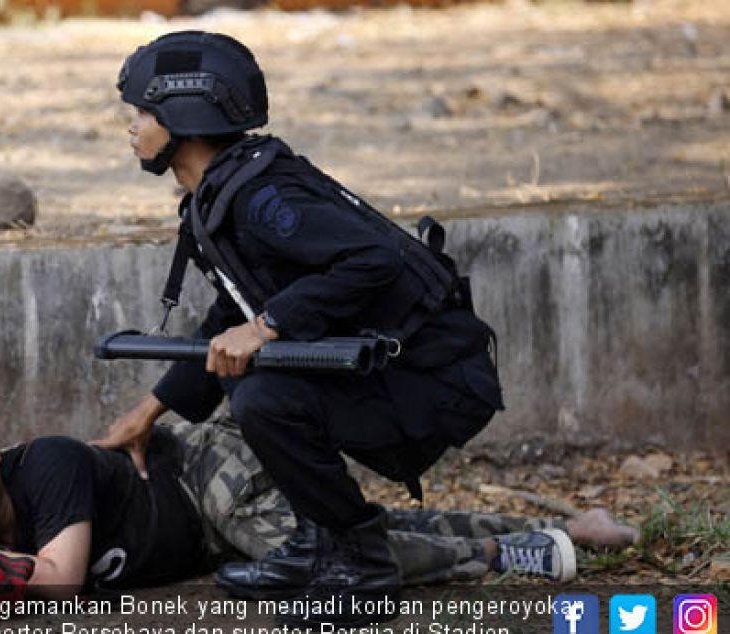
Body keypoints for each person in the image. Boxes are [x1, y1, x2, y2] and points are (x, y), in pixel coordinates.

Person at [95, 30, 511, 627]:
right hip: (398, 369)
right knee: (254, 385)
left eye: (142, 112)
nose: (131, 127)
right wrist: (148, 412)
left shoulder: (262, 198)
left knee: (262, 395)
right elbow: (229, 320)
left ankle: (363, 566)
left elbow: (375, 261)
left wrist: (266, 327)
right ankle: (319, 547)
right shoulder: (223, 196)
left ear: (185, 115)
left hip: (433, 377)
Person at [0, 402, 639, 603]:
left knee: (328, 561)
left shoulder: (52, 466)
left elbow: (56, 587)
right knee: (356, 536)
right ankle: (559, 526)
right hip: (207, 541)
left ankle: (507, 554)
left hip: (207, 475)